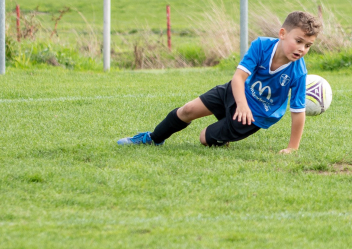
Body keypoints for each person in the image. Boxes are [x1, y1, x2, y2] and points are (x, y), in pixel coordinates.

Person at [118, 11, 322, 153]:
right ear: (282, 34)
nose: (302, 49)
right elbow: (239, 77)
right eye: (298, 41)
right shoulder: (261, 45)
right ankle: (153, 139)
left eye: (308, 45)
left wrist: (292, 148)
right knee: (187, 110)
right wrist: (241, 103)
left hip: (256, 114)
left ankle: (223, 134)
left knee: (204, 138)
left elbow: (297, 112)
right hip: (236, 92)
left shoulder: (298, 72)